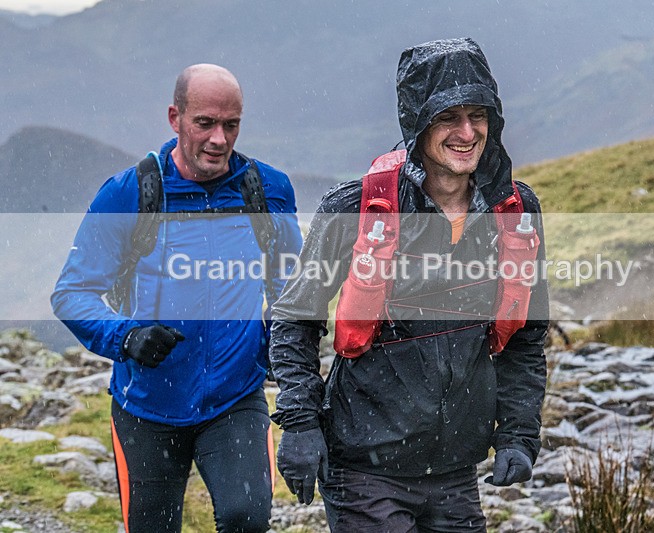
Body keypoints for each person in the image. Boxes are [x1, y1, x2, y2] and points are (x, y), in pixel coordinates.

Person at [269, 38, 549, 532]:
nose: (467, 133)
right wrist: (300, 423)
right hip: (364, 469)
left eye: (478, 115)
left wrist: (519, 435)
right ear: (417, 123)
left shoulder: (516, 212)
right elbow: (295, 318)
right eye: (448, 117)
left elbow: (527, 336)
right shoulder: (355, 209)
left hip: (455, 471)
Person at [51, 64, 302, 533]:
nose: (219, 139)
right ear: (175, 118)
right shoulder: (129, 194)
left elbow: (290, 287)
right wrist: (127, 338)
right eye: (205, 123)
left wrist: (273, 342)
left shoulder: (267, 190)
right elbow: (71, 293)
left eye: (231, 125)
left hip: (235, 399)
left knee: (246, 519)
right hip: (146, 408)